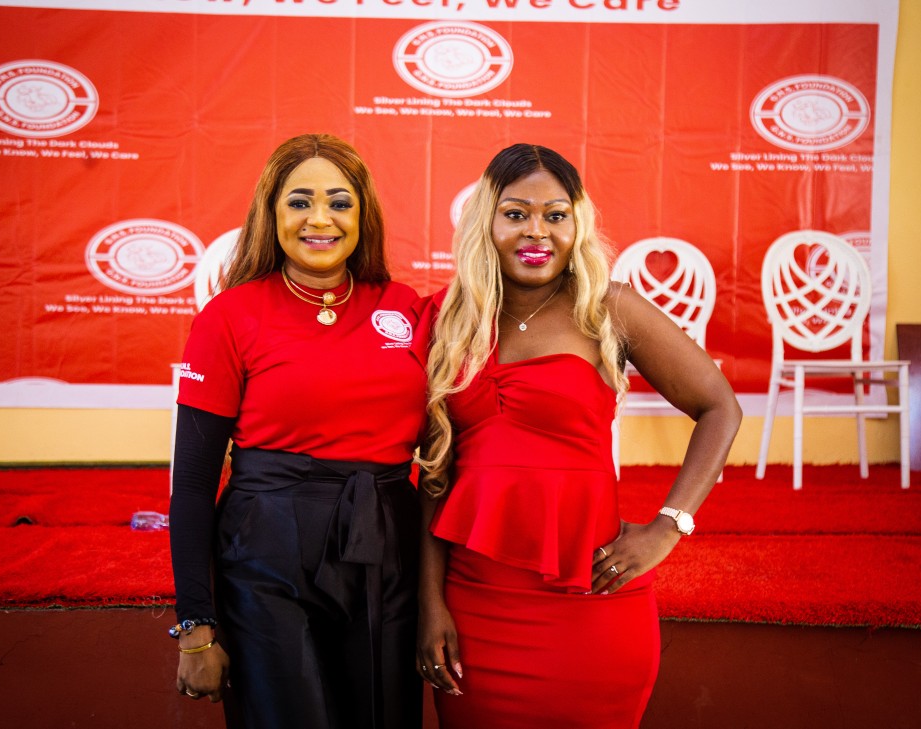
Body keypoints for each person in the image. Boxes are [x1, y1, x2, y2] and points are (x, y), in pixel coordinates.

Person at [414, 143, 742, 728]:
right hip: (475, 604)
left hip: (592, 602)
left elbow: (719, 406)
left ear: (577, 223)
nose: (536, 231)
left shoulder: (608, 308)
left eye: (555, 215)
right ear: (485, 220)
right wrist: (429, 602)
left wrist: (669, 527)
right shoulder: (447, 318)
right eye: (516, 213)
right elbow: (435, 475)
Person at [168, 133, 426, 729]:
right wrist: (195, 626)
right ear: (271, 213)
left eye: (340, 202)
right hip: (267, 554)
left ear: (363, 215)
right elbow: (193, 484)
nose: (320, 219)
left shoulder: (406, 307)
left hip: (386, 547)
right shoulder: (229, 316)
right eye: (299, 202)